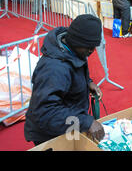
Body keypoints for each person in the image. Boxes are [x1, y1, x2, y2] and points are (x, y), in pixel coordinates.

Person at [24, 14, 105, 146]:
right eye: (89, 46)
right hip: (50, 134)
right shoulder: (54, 69)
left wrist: (88, 82)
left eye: (94, 46)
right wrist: (86, 122)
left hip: (68, 123)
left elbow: (75, 66)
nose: (92, 50)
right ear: (76, 40)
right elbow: (46, 113)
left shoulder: (74, 50)